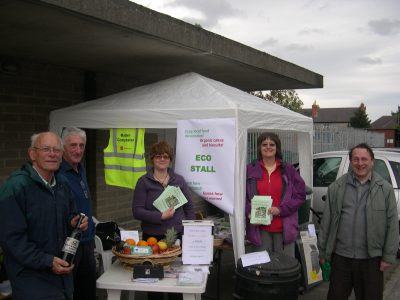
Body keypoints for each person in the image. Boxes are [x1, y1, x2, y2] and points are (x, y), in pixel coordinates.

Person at [0, 132, 88, 300]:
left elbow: (69, 215)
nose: (52, 154)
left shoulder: (62, 183)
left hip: (63, 275)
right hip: (31, 280)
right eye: (46, 149)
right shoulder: (16, 187)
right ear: (32, 153)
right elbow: (11, 239)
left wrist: (74, 222)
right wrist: (47, 261)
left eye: (56, 149)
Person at [318, 143, 399, 300]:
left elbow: (392, 226)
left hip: (372, 260)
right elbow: (326, 222)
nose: (360, 163)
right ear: (350, 161)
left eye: (364, 159)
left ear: (372, 161)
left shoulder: (385, 189)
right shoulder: (336, 187)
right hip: (341, 258)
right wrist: (323, 252)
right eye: (355, 159)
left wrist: (388, 256)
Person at [132, 141, 195, 300]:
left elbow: (189, 207)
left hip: (177, 238)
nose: (162, 159)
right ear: (152, 158)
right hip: (152, 238)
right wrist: (159, 216)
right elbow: (137, 210)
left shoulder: (178, 180)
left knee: (176, 280)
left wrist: (190, 229)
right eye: (158, 156)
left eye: (166, 156)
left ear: (170, 159)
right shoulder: (143, 182)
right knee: (154, 281)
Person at [245, 132, 306, 256]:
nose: (268, 147)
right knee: (262, 269)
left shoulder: (288, 170)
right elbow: (242, 196)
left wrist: (281, 210)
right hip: (259, 229)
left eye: (272, 144)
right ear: (259, 148)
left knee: (284, 268)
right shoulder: (250, 170)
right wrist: (249, 212)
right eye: (264, 144)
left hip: (284, 229)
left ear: (277, 148)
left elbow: (300, 194)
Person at [60, 127, 96, 300]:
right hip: (69, 243)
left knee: (88, 290)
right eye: (73, 145)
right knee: (69, 291)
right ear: (63, 147)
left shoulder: (80, 169)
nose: (78, 150)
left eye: (81, 145)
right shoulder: (58, 173)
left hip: (88, 242)